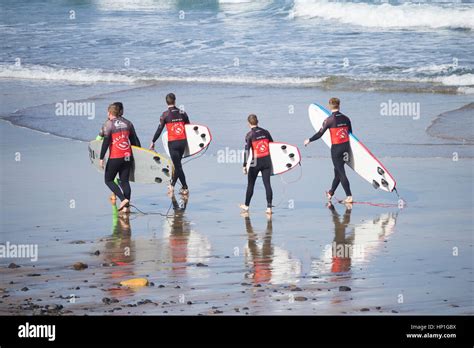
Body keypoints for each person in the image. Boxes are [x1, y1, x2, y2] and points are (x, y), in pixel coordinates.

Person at [304, 97, 353, 203]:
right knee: (338, 172)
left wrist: (309, 140)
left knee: (341, 172)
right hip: (346, 147)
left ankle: (349, 196)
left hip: (336, 149)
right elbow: (351, 135)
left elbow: (320, 134)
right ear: (339, 105)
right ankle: (331, 192)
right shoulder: (346, 118)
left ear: (329, 106)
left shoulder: (329, 120)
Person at [99, 103, 141, 213]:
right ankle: (126, 208)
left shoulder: (108, 124)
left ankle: (123, 200)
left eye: (108, 112)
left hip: (115, 157)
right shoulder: (128, 123)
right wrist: (139, 155)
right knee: (125, 181)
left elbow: (106, 141)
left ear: (110, 113)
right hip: (127, 156)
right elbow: (134, 140)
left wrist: (101, 157)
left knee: (108, 180)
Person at [150, 93, 190, 195]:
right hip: (182, 142)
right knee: (177, 165)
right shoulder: (182, 113)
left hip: (173, 143)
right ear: (175, 101)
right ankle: (172, 185)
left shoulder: (165, 115)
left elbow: (159, 129)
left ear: (166, 102)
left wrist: (153, 141)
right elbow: (189, 127)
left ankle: (185, 187)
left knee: (178, 166)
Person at [240, 114, 273, 215]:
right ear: (257, 121)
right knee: (267, 184)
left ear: (248, 123)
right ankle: (269, 208)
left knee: (251, 184)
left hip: (256, 162)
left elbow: (247, 151)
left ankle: (246, 206)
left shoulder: (249, 135)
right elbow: (272, 144)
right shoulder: (266, 132)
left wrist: (244, 165)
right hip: (267, 161)